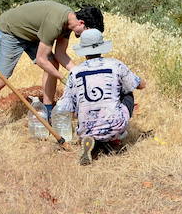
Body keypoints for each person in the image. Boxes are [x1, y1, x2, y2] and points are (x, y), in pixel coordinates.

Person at [0, 1, 103, 139]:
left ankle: (47, 114)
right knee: (0, 79)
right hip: (10, 31)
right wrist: (63, 78)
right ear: (82, 23)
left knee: (53, 62)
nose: (85, 37)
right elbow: (41, 60)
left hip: (31, 35)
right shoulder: (55, 23)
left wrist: (78, 73)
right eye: (88, 33)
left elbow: (60, 54)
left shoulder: (69, 24)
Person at [53, 28, 146, 166]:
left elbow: (68, 107)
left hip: (85, 128)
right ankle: (113, 137)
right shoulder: (115, 64)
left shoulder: (75, 72)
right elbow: (139, 85)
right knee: (127, 92)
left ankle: (93, 139)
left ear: (83, 50)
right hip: (115, 125)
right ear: (102, 47)